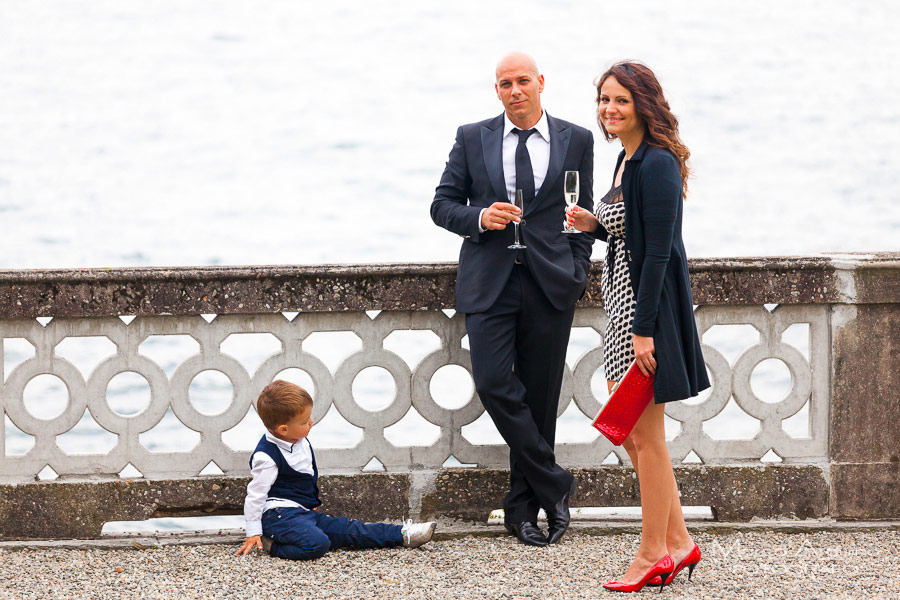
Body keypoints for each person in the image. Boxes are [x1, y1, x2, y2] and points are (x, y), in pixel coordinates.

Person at [430, 52, 594, 546]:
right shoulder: (471, 137)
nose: (515, 90)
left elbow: (578, 212)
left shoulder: (577, 139)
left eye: (523, 81)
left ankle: (524, 510)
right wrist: (481, 218)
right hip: (490, 281)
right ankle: (554, 481)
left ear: (541, 83)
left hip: (551, 282)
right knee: (496, 382)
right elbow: (441, 205)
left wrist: (578, 270)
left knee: (540, 400)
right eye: (505, 83)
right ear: (496, 91)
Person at [567, 61, 710, 592]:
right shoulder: (626, 161)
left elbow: (658, 256)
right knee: (636, 437)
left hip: (643, 316)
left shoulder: (658, 163)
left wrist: (644, 331)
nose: (609, 109)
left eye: (621, 100)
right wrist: (596, 224)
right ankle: (680, 542)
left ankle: (653, 552)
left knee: (644, 438)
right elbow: (632, 235)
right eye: (603, 99)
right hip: (621, 310)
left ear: (644, 104)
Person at [236, 380, 436, 560]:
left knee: (348, 529)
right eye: (305, 422)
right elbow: (256, 495)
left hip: (301, 512)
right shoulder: (267, 456)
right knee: (317, 544)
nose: (311, 422)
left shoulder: (297, 439)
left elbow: (304, 476)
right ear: (283, 430)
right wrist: (253, 531)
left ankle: (403, 534)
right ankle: (273, 545)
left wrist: (308, 501)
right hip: (278, 515)